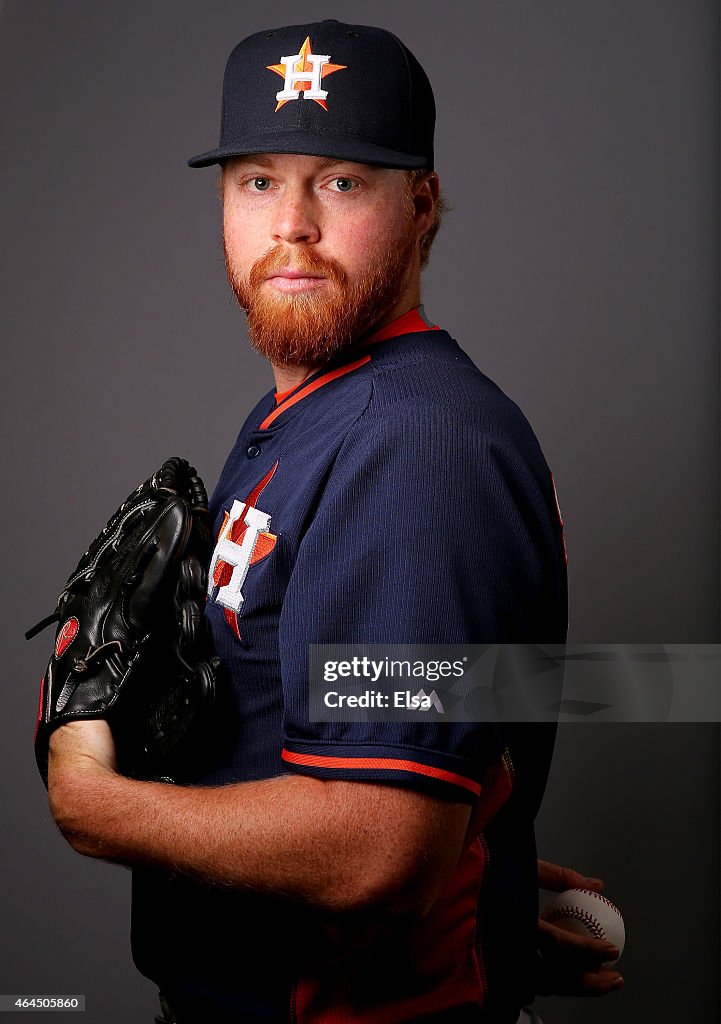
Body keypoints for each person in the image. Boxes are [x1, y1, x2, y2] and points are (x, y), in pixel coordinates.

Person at [46, 20, 623, 1024]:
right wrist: (481, 880)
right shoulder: (310, 412)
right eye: (257, 181)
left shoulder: (414, 447)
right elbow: (389, 757)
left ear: (423, 203)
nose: (292, 226)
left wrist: (100, 805)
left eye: (342, 181)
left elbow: (377, 846)